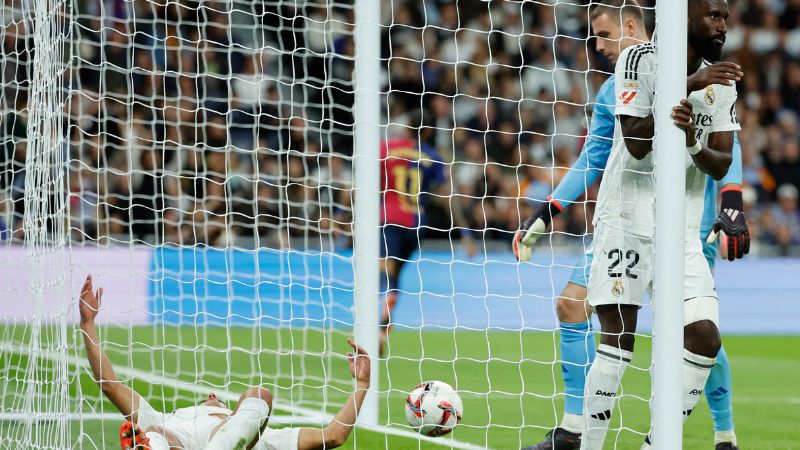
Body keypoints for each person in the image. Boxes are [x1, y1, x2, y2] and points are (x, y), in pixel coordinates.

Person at [515, 1, 747, 449]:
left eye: (602, 34)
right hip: (626, 216)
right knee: (603, 325)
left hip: (686, 225)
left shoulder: (720, 82)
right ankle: (580, 435)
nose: (598, 46)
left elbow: (724, 155)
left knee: (701, 334)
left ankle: (712, 435)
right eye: (714, 15)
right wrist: (550, 210)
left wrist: (731, 201)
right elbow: (624, 147)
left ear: (629, 24)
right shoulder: (634, 64)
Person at [78, 274, 371, 450]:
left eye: (214, 396)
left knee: (259, 395)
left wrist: (362, 385)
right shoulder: (165, 421)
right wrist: (87, 325)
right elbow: (110, 385)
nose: (211, 395)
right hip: (175, 441)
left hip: (237, 439)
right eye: (209, 396)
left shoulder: (265, 437)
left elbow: (333, 437)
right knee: (154, 432)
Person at [378, 133, 476, 356]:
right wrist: (465, 233)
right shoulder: (432, 156)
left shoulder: (385, 148)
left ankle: (381, 308)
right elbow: (447, 196)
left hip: (389, 218)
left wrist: (342, 212)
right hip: (417, 224)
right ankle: (383, 324)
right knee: (395, 274)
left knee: (384, 271)